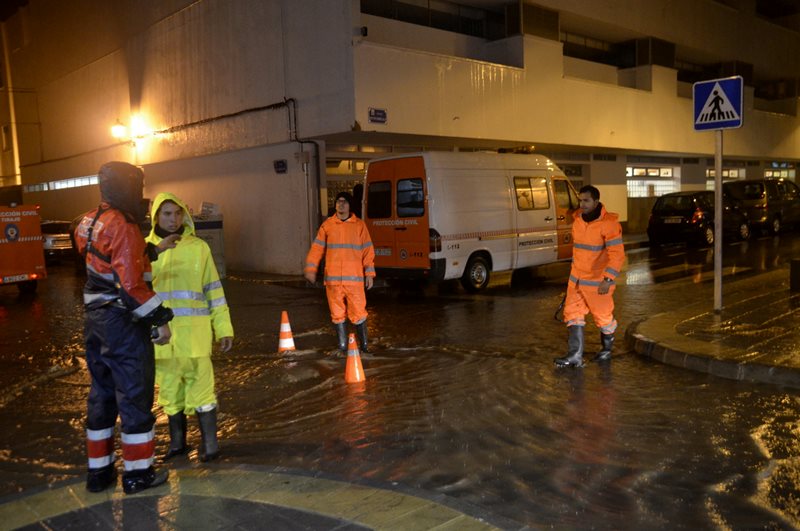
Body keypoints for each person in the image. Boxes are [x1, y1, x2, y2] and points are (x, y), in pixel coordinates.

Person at [74, 161, 177, 495]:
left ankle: (99, 473)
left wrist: (154, 250)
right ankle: (138, 474)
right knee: (134, 397)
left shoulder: (89, 221)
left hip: (96, 322)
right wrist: (160, 319)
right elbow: (132, 286)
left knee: (101, 395)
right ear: (128, 186)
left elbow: (108, 260)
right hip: (123, 324)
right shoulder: (124, 225)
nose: (141, 194)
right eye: (138, 186)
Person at [145, 192, 234, 463]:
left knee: (203, 391)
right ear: (156, 217)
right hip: (163, 340)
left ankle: (210, 444)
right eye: (166, 214)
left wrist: (224, 328)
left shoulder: (199, 248)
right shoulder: (146, 250)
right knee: (170, 393)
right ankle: (177, 444)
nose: (173, 219)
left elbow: (213, 290)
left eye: (177, 213)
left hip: (195, 337)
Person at [555, 185, 625, 368]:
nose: (582, 204)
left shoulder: (609, 224)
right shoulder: (578, 220)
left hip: (597, 283)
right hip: (576, 281)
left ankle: (607, 350)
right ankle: (575, 356)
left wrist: (608, 279)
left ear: (596, 201)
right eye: (580, 200)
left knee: (603, 318)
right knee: (573, 315)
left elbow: (617, 255)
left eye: (586, 201)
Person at [304, 191, 376, 354]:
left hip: (354, 280)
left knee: (359, 314)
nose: (341, 204)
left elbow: (368, 251)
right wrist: (311, 269)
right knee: (337, 315)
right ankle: (342, 347)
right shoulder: (327, 225)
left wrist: (369, 274)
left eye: (344, 201)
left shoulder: (359, 226)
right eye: (338, 201)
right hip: (333, 281)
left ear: (350, 205)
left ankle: (364, 347)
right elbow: (317, 248)